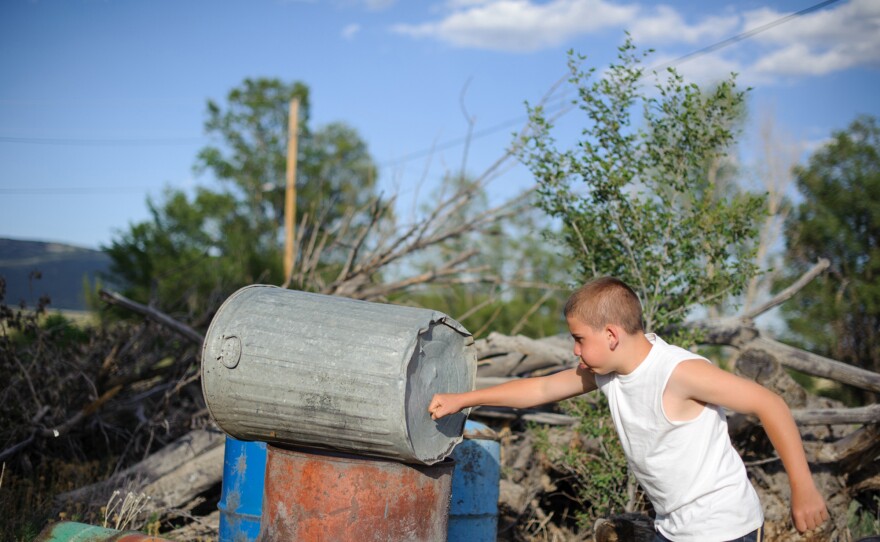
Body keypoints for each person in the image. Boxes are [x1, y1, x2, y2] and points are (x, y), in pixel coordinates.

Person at [429, 276, 829, 542]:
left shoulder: (679, 372)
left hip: (724, 527)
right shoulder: (607, 371)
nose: (575, 350)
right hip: (675, 527)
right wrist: (465, 399)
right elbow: (542, 387)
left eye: (579, 339)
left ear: (611, 334)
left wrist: (804, 488)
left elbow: (769, 403)